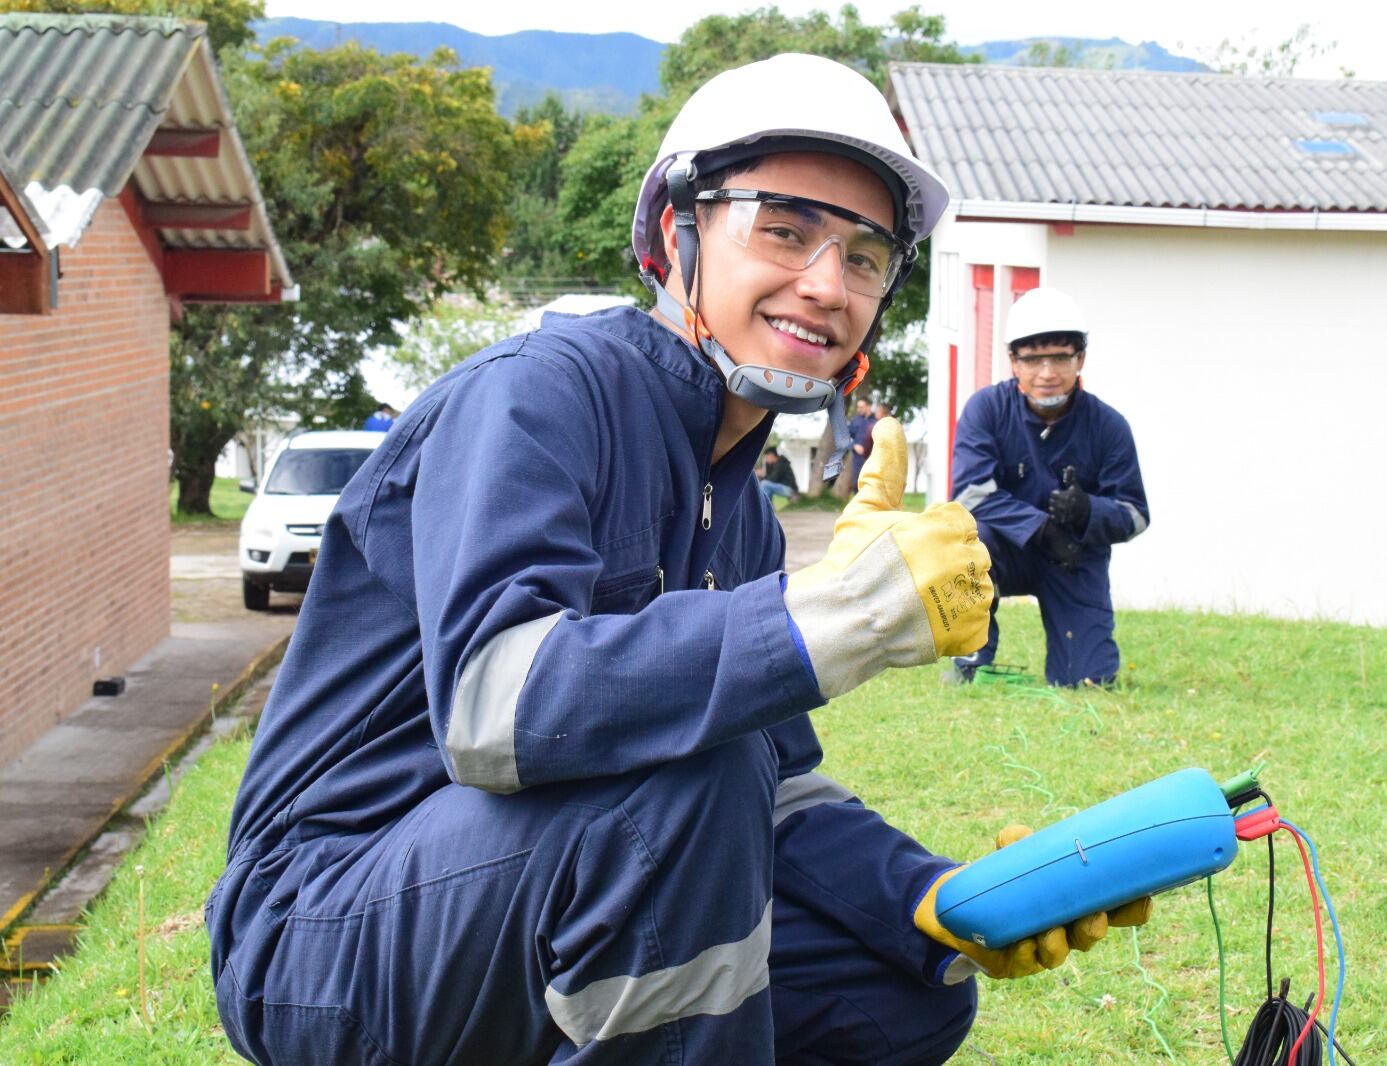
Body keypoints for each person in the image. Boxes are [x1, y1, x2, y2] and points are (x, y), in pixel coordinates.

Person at [207, 54, 1147, 1066]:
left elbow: (779, 782)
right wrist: (842, 609)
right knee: (680, 787)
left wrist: (934, 898)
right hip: (321, 925)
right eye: (784, 229)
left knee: (896, 992)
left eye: (866, 255)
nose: (827, 285)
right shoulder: (536, 397)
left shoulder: (737, 506)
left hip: (518, 890)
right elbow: (492, 705)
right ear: (675, 233)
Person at [948, 286, 1149, 688]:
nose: (1047, 372)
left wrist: (1089, 510)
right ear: (1013, 362)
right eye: (1033, 358)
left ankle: (1080, 665)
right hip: (1005, 548)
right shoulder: (985, 410)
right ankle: (971, 662)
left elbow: (1136, 514)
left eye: (1059, 357)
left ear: (1081, 360)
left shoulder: (1109, 426)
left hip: (1073, 557)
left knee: (1089, 681)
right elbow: (970, 494)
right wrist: (1040, 528)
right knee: (966, 542)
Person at [842, 396, 876, 494]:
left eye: (861, 407)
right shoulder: (855, 420)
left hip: (872, 458)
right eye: (858, 407)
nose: (858, 409)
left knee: (872, 483)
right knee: (858, 483)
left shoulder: (877, 421)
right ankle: (860, 507)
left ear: (868, 407)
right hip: (858, 458)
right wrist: (854, 445)